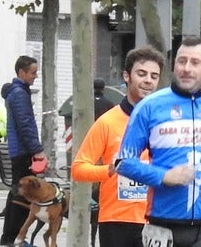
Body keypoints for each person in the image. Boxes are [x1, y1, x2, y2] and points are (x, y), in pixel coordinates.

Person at [115, 38, 201, 247]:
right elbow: (123, 162)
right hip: (164, 221)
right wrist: (164, 176)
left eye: (195, 62)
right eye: (181, 61)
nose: (186, 68)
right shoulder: (149, 107)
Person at [70, 46, 163, 247]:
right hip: (116, 221)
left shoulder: (165, 124)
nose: (148, 80)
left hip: (158, 220)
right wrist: (109, 170)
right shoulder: (107, 122)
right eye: (142, 73)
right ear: (127, 76)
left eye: (154, 76)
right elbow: (78, 169)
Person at [0, 55, 45, 247]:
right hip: (23, 151)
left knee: (16, 193)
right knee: (24, 195)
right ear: (22, 72)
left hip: (18, 150)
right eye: (33, 72)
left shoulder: (17, 93)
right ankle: (15, 238)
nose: (36, 76)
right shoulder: (19, 94)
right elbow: (25, 124)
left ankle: (9, 237)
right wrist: (37, 149)